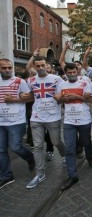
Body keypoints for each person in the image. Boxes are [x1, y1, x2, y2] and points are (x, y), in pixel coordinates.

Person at [25, 56, 66, 189]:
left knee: (56, 141)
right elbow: (29, 96)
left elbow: (61, 96)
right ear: (34, 67)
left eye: (43, 65)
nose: (41, 68)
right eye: (38, 66)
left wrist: (60, 97)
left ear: (46, 65)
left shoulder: (56, 79)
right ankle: (40, 173)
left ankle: (64, 155)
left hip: (53, 117)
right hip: (36, 117)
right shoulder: (31, 80)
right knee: (38, 146)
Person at [55, 63, 92, 190]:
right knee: (70, 149)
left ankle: (89, 157)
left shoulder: (85, 83)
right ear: (65, 73)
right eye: (69, 73)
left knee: (86, 142)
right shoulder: (61, 84)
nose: (71, 75)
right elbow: (58, 100)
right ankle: (72, 176)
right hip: (69, 121)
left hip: (84, 119)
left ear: (77, 72)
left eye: (73, 72)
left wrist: (76, 96)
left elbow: (91, 100)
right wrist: (62, 99)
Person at [0, 58, 35, 189]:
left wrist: (13, 100)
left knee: (15, 147)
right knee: (1, 150)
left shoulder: (19, 81)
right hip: (0, 121)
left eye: (9, 67)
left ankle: (30, 158)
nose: (7, 70)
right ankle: (6, 176)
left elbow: (30, 98)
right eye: (4, 68)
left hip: (16, 121)